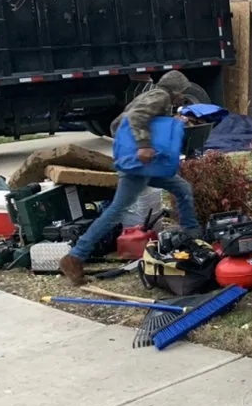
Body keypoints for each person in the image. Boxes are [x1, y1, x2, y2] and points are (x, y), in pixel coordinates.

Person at [59, 71, 201, 286]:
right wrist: (143, 146)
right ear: (175, 89)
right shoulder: (160, 96)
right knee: (117, 210)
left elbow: (121, 124)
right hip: (139, 165)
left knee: (182, 188)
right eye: (181, 90)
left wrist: (175, 122)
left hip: (146, 165)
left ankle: (192, 235)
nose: (182, 95)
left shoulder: (152, 96)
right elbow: (136, 118)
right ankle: (75, 256)